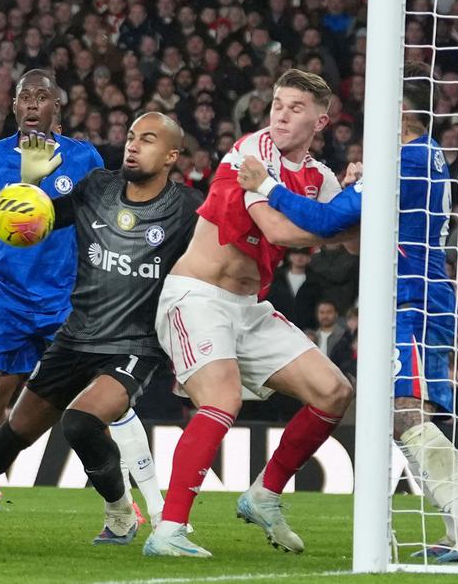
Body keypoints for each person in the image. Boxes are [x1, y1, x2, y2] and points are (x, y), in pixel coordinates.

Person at [234, 63, 458, 564]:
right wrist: (356, 188)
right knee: (403, 416)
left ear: (398, 109)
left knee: (405, 413)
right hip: (420, 294)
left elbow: (326, 220)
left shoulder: (404, 159)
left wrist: (266, 186)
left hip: (411, 300)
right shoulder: (427, 153)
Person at [0, 113, 201, 545]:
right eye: (132, 137)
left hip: (133, 344)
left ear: (171, 156)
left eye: (148, 140)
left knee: (81, 422)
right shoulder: (97, 187)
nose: (133, 145)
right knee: (15, 432)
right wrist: (29, 186)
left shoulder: (188, 208)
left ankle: (125, 513)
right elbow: (34, 228)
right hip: (75, 336)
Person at [145, 69, 354, 558]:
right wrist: (336, 222)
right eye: (278, 104)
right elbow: (278, 231)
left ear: (320, 121)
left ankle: (264, 494)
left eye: (295, 108)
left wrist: (358, 198)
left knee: (334, 392)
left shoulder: (320, 178)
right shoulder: (251, 152)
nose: (281, 115)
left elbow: (357, 243)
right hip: (197, 296)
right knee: (222, 398)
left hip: (249, 308)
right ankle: (169, 530)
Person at [0, 70, 124, 517]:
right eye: (24, 97)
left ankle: (124, 503)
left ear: (58, 107)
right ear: (15, 106)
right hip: (6, 299)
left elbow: (104, 221)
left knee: (92, 408)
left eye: (42, 96)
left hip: (66, 302)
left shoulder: (83, 157)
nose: (33, 104)